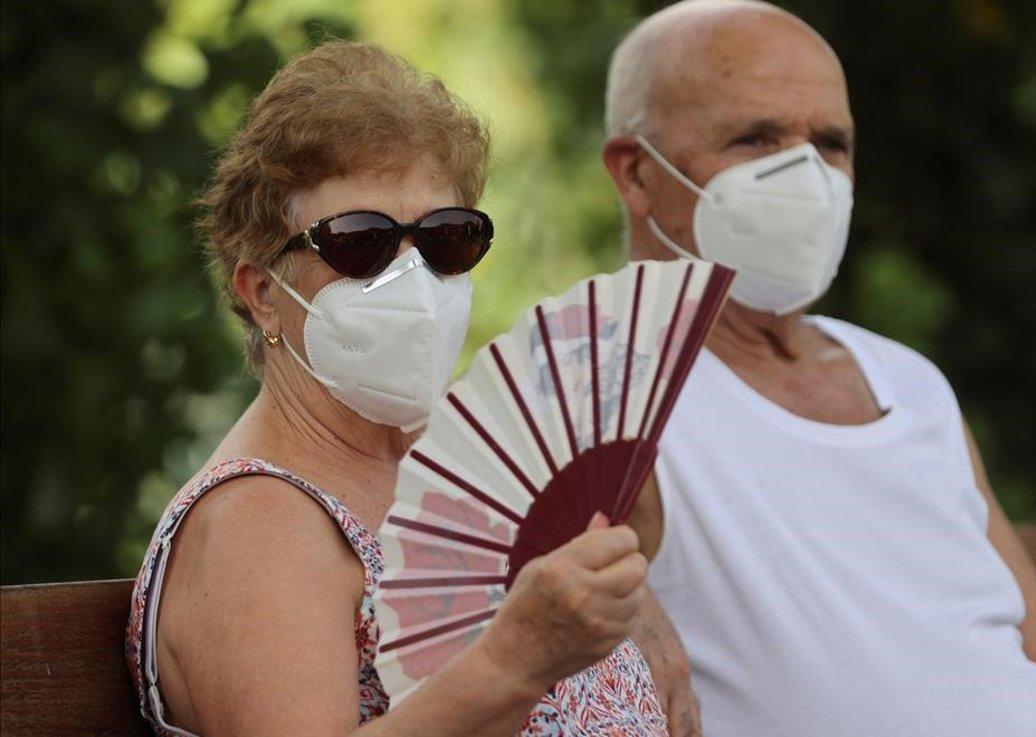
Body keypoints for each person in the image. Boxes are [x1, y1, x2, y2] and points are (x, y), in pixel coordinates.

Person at [601, 2, 1036, 736]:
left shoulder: (909, 382)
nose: (805, 173)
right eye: (756, 137)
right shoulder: (596, 398)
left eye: (830, 143)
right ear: (637, 174)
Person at [126, 41, 671, 736]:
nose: (413, 279)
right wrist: (515, 660)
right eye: (360, 241)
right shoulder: (257, 521)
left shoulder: (475, 465)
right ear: (263, 292)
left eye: (447, 238)